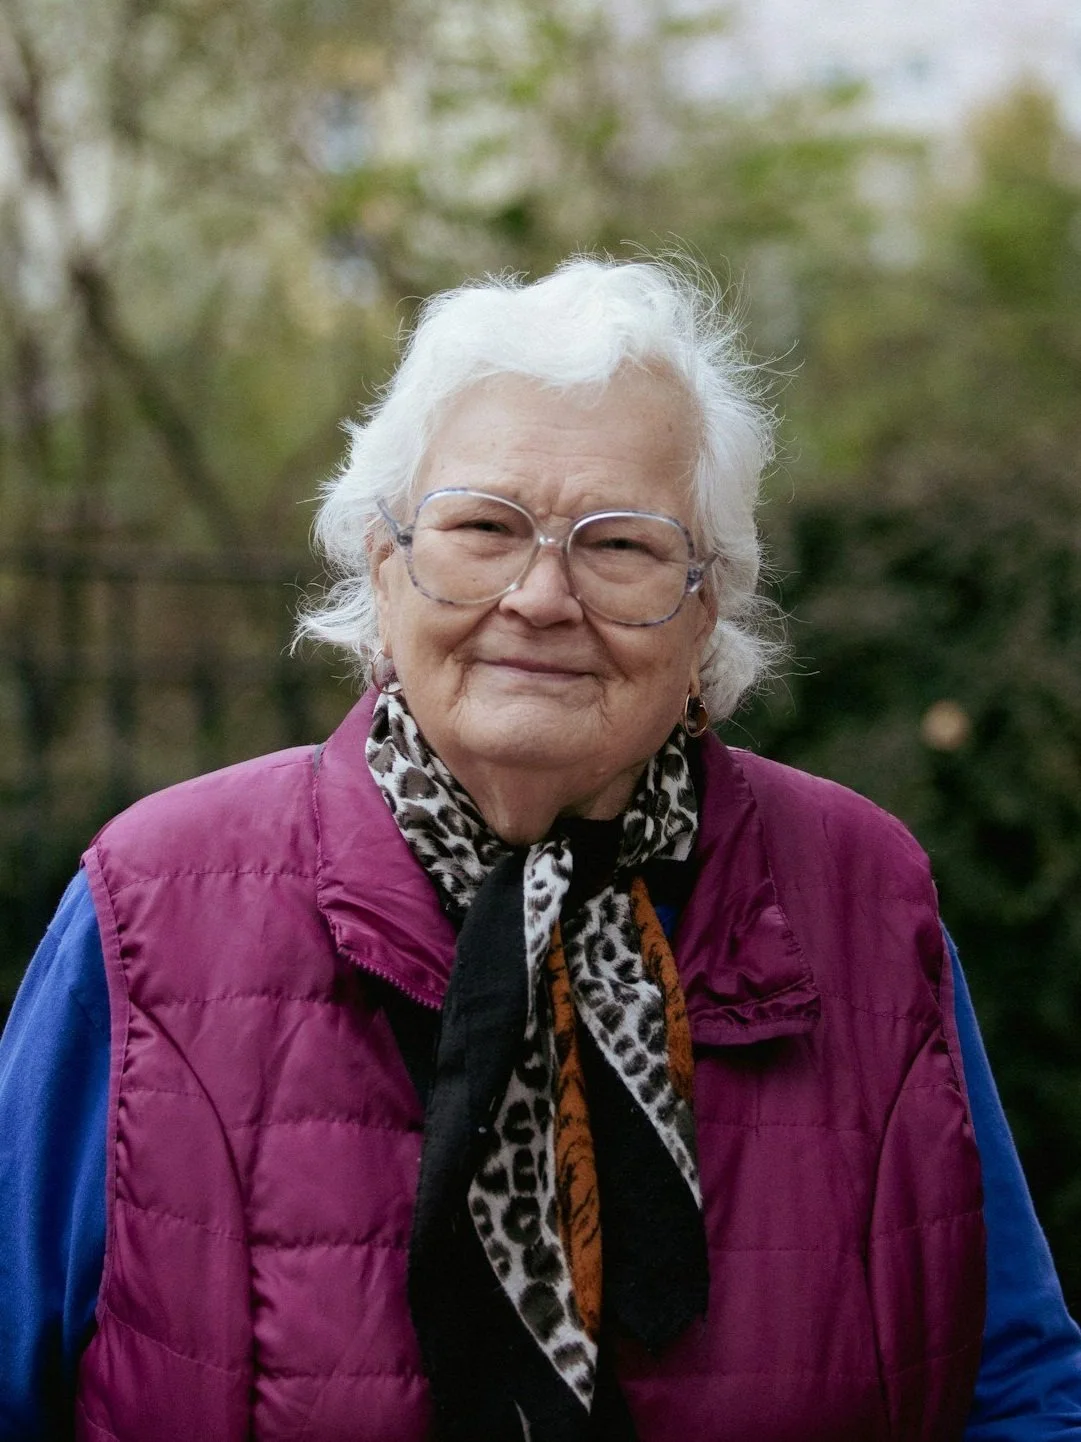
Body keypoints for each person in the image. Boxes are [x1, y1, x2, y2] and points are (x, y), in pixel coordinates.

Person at [1, 256, 1079, 1442]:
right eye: (482, 525)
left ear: (705, 605)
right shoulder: (150, 908)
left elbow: (1018, 1389)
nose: (541, 594)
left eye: (620, 545)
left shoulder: (862, 899)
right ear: (384, 563)